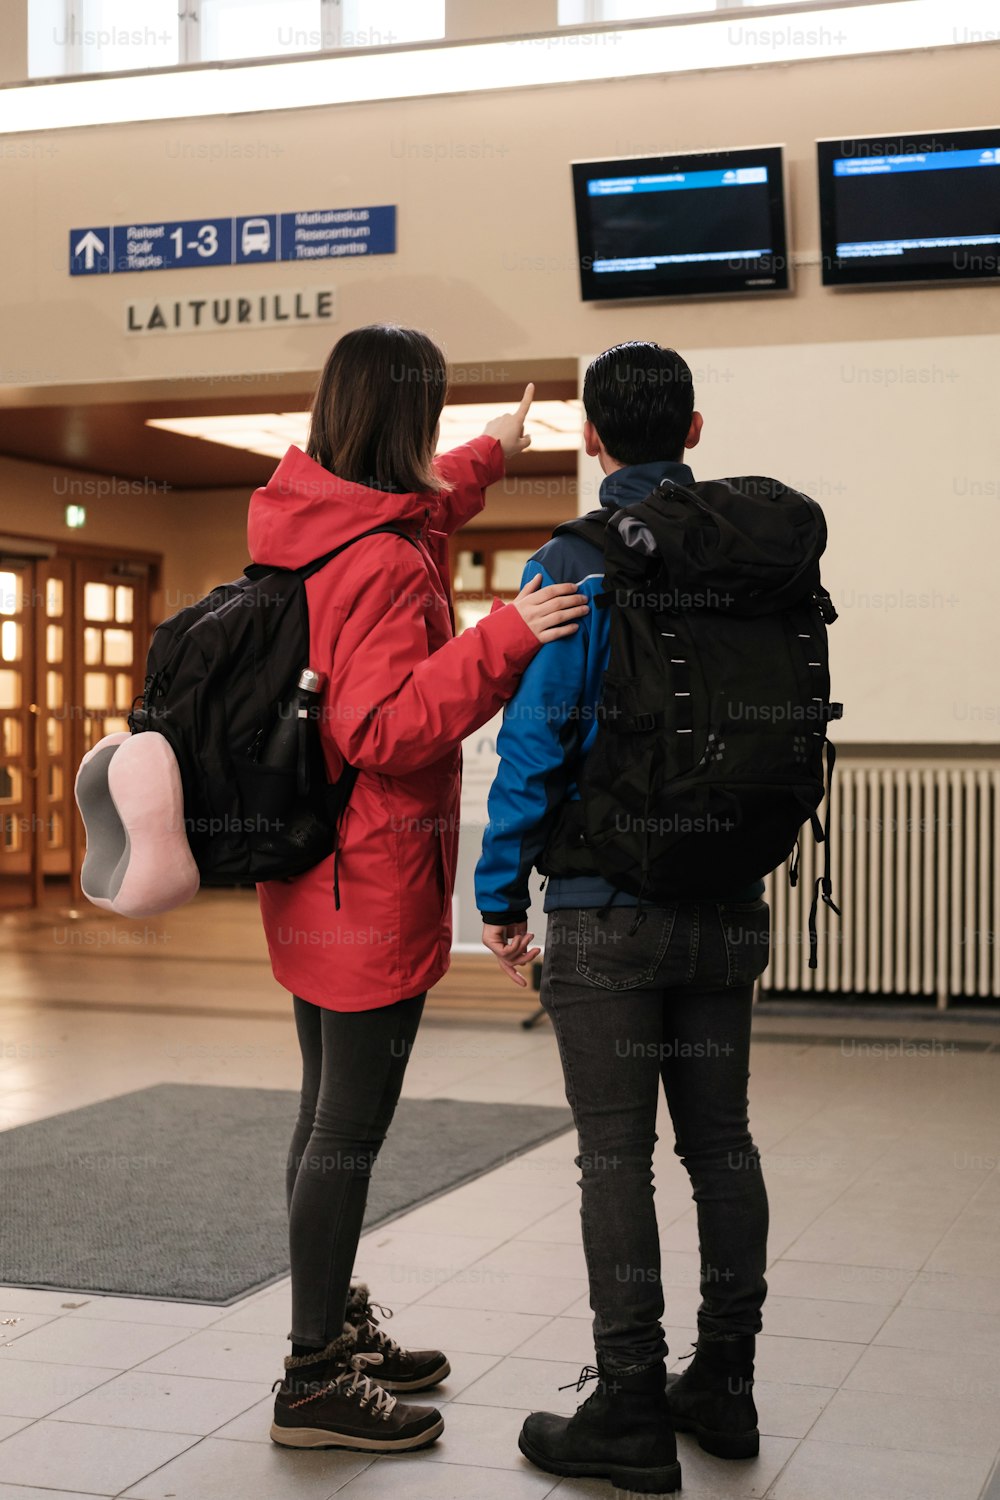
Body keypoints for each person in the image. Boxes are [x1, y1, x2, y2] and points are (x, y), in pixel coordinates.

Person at [246, 323, 589, 1453]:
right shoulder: (388, 562)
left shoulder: (306, 522)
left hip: (307, 871)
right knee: (347, 1130)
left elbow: (421, 513)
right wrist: (506, 636)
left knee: (320, 1117)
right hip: (372, 877)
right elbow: (386, 728)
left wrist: (495, 448)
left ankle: (329, 1323)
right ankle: (311, 1378)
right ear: (407, 421)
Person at [475, 342, 771, 1494]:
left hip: (605, 912)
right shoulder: (756, 557)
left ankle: (630, 1409)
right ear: (693, 433)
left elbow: (535, 746)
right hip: (727, 898)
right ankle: (726, 1386)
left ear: (593, 440)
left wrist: (500, 895)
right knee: (722, 1145)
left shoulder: (575, 565)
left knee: (615, 1156)